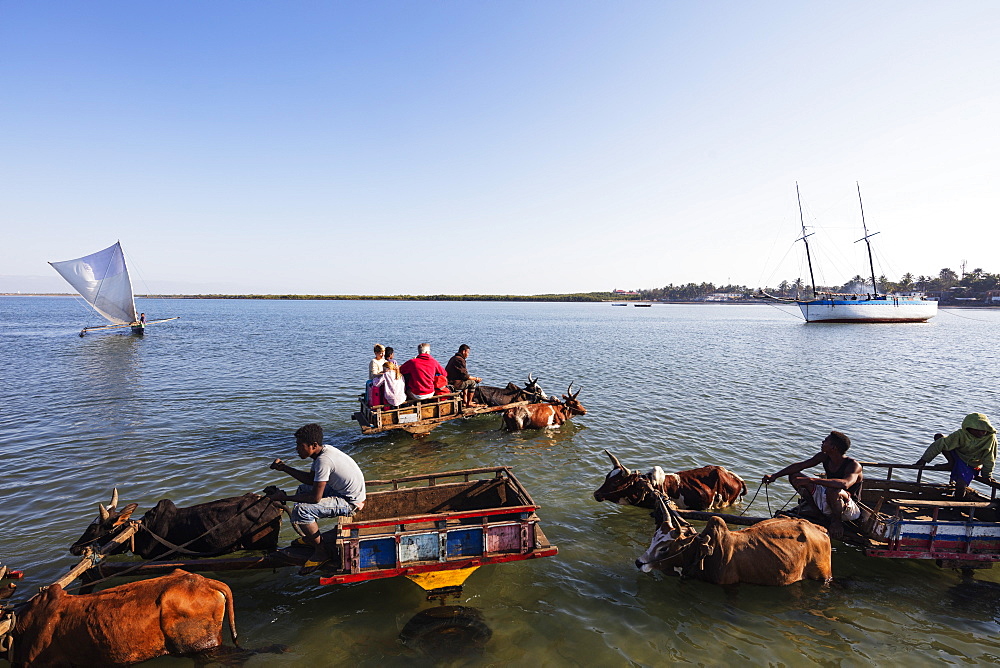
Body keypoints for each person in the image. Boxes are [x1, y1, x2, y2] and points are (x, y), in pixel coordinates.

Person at [268, 423, 366, 575]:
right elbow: (310, 479)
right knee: (302, 490)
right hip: (345, 492)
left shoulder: (323, 461)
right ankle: (312, 536)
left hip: (350, 502)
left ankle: (321, 551)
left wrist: (284, 497)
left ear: (313, 445)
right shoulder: (323, 452)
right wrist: (284, 468)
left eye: (300, 445)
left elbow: (315, 498)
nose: (297, 449)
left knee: (301, 510)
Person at [762, 430, 863, 539]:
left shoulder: (853, 465)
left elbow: (845, 484)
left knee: (833, 490)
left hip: (848, 507)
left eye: (826, 441)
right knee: (794, 476)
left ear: (833, 448)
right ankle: (817, 513)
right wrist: (774, 476)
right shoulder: (824, 457)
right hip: (829, 496)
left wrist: (811, 480)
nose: (822, 442)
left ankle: (837, 522)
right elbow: (799, 466)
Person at [915, 413, 997, 498]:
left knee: (961, 485)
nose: (982, 432)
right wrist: (923, 460)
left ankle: (956, 507)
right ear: (969, 428)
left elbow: (990, 458)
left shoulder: (990, 438)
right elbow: (942, 444)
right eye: (978, 429)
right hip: (958, 455)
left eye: (985, 429)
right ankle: (952, 463)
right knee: (939, 438)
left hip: (971, 464)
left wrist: (987, 475)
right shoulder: (961, 434)